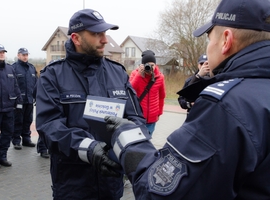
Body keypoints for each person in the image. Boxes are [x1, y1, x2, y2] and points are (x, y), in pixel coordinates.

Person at [104, 0, 270, 199]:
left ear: (226, 40)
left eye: (209, 38)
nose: (208, 48)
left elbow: (158, 190)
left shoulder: (225, 106)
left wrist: (128, 138)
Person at [35, 9, 145, 199]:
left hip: (111, 185)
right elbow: (49, 127)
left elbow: (136, 118)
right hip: (73, 186)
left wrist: (129, 145)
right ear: (76, 38)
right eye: (97, 34)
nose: (104, 39)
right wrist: (89, 148)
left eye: (105, 33)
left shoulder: (118, 73)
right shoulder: (52, 76)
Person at [129, 50, 166, 136]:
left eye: (152, 65)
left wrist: (159, 113)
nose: (150, 67)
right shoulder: (135, 74)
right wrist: (139, 76)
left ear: (155, 65)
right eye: (148, 65)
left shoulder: (160, 77)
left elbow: (161, 96)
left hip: (151, 118)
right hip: (137, 117)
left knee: (147, 141)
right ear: (142, 65)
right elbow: (130, 90)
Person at [11, 48, 39, 150]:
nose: (25, 56)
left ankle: (26, 139)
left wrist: (36, 97)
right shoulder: (13, 68)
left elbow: (36, 84)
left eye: (26, 54)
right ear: (18, 55)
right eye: (23, 55)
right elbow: (11, 85)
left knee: (28, 120)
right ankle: (16, 140)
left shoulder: (31, 68)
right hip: (18, 101)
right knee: (18, 121)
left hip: (29, 100)